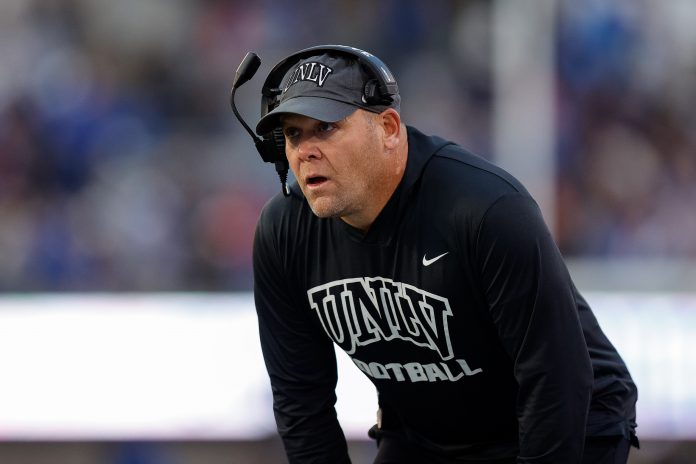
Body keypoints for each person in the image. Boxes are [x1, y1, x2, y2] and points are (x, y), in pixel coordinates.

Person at [248, 45, 638, 464]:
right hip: (428, 432)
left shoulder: (484, 209)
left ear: (389, 128)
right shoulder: (283, 233)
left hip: (568, 418)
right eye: (292, 134)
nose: (305, 149)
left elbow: (555, 377)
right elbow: (301, 403)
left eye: (325, 127)